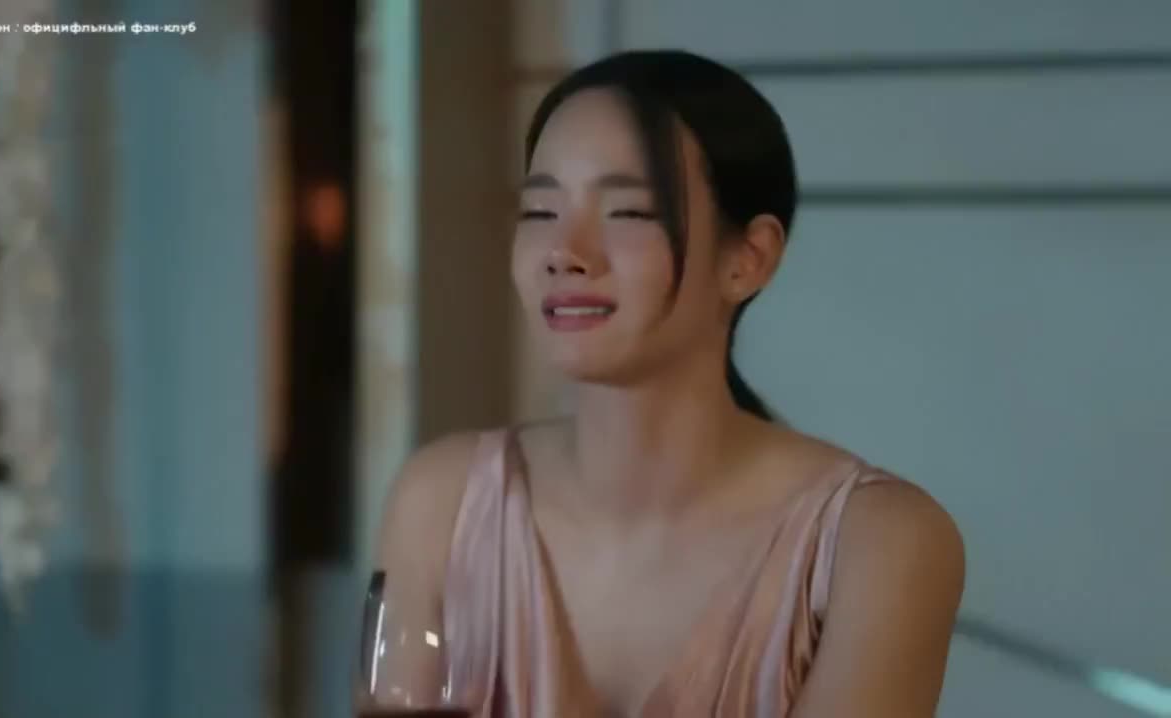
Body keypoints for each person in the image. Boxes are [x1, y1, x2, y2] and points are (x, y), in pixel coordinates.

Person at [375, 50, 965, 717]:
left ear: (748, 259)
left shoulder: (877, 544)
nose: (565, 252)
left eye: (627, 213)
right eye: (539, 211)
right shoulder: (443, 505)